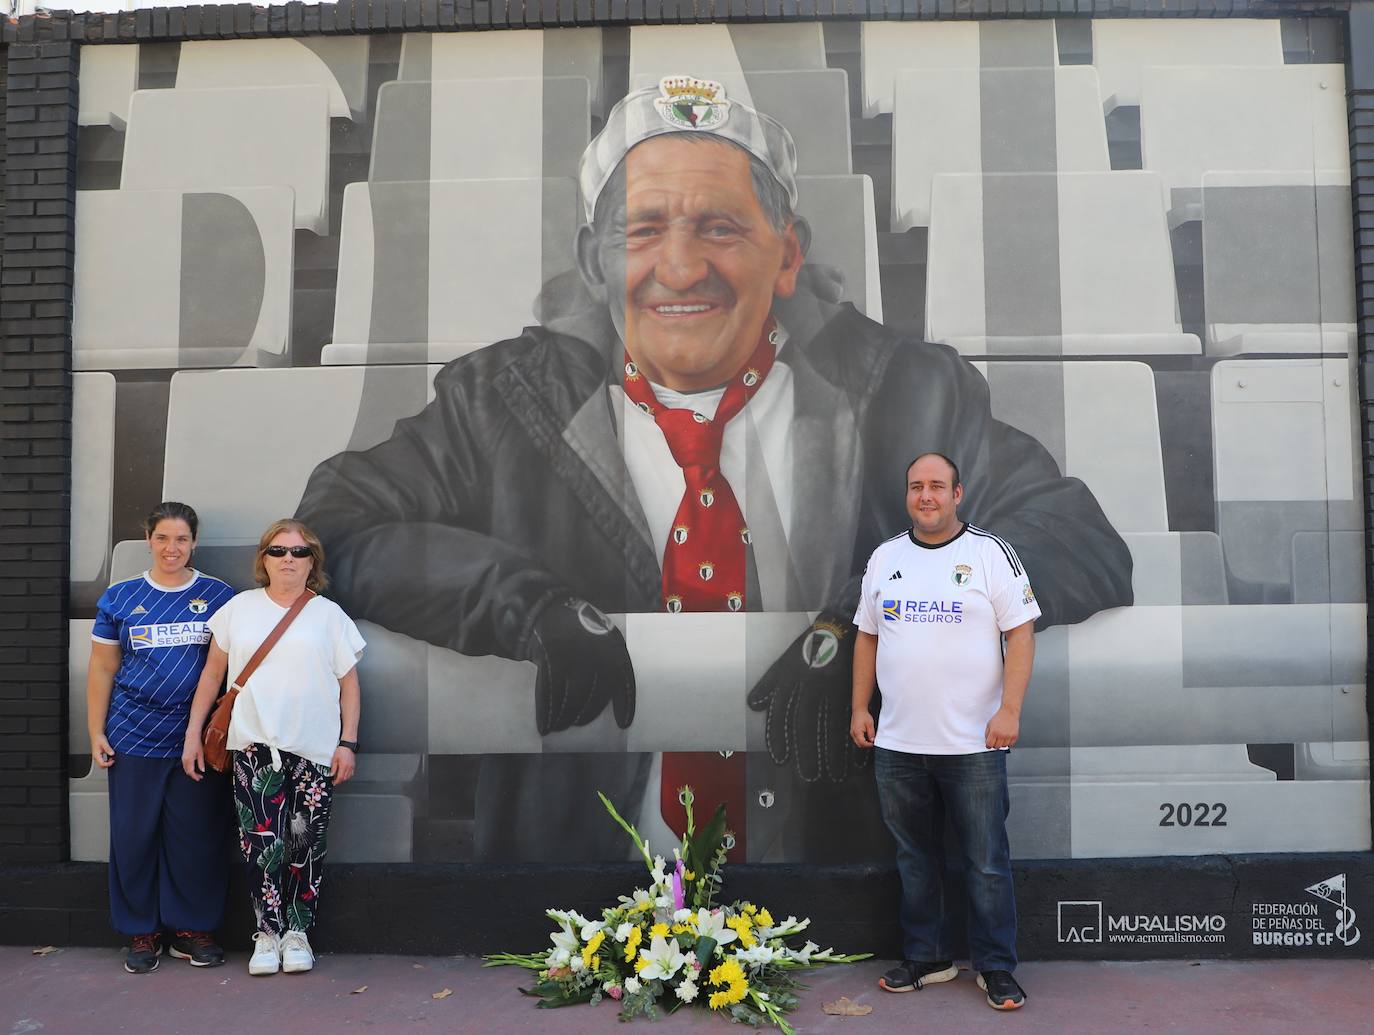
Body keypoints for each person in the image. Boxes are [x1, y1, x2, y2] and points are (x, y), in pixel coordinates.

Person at [295, 76, 1132, 861]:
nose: (683, 267)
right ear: (594, 262)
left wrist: (883, 614)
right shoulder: (500, 401)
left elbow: (1072, 537)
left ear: (788, 256)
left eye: (722, 228)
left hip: (838, 890)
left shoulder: (912, 391)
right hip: (574, 894)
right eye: (644, 229)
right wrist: (520, 604)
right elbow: (334, 526)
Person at [851, 453, 1038, 1011]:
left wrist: (1010, 711)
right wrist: (861, 707)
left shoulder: (988, 554)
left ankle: (996, 967)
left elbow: (1022, 635)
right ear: (906, 495)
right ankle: (929, 957)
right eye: (915, 487)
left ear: (958, 493)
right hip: (900, 743)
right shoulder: (885, 557)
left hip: (974, 744)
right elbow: (867, 636)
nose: (925, 496)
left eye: (937, 486)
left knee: (985, 860)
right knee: (915, 858)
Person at [181, 519, 364, 977]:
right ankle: (267, 933)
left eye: (299, 553)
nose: (288, 560)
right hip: (255, 748)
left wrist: (348, 742)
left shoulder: (329, 615)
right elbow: (211, 676)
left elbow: (349, 686)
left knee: (306, 846)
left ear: (312, 562)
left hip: (315, 749)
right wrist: (192, 734)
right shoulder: (239, 609)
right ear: (264, 558)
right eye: (279, 551)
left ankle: (297, 934)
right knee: (262, 846)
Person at [87, 501, 236, 973]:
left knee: (195, 837)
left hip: (195, 740)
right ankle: (141, 931)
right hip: (133, 734)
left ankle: (191, 930)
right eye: (163, 538)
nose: (172, 548)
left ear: (193, 543)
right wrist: (95, 731)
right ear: (148, 539)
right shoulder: (120, 597)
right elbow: (102, 668)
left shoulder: (218, 596)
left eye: (182, 539)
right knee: (134, 836)